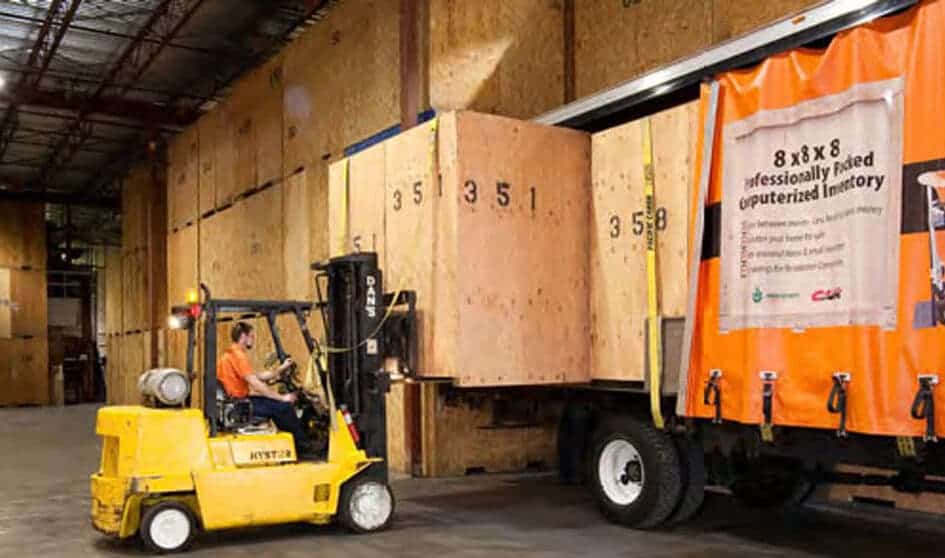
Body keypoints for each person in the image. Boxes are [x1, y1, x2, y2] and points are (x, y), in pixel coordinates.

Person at [217, 321, 312, 456]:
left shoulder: (230, 354)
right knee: (283, 407)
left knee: (276, 404)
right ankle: (303, 447)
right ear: (243, 337)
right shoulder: (238, 356)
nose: (253, 340)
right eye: (252, 336)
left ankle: (297, 443)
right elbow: (256, 383)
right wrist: (283, 397)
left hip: (237, 402)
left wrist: (281, 369)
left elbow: (257, 376)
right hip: (240, 405)